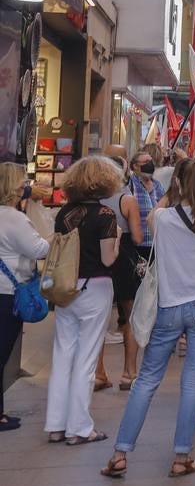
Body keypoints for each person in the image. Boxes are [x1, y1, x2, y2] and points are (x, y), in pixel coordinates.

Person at [101, 158, 195, 480]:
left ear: (176, 183)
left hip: (169, 307)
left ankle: (121, 453)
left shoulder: (162, 217)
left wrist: (171, 193)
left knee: (147, 380)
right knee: (194, 380)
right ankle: (182, 457)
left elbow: (152, 216)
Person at [45, 156, 124, 445]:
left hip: (66, 288)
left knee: (63, 354)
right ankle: (79, 427)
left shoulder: (64, 213)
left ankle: (55, 424)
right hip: (96, 288)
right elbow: (108, 259)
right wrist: (117, 239)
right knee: (86, 358)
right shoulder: (105, 215)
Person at [0, 163, 50, 430]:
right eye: (21, 183)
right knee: (2, 351)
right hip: (8, 292)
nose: (24, 187)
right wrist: (53, 239)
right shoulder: (13, 218)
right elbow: (38, 249)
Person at [95, 156, 145, 392]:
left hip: (99, 259)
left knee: (100, 319)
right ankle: (129, 372)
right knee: (130, 315)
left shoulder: (94, 198)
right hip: (124, 257)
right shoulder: (127, 199)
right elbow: (137, 237)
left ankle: (98, 372)